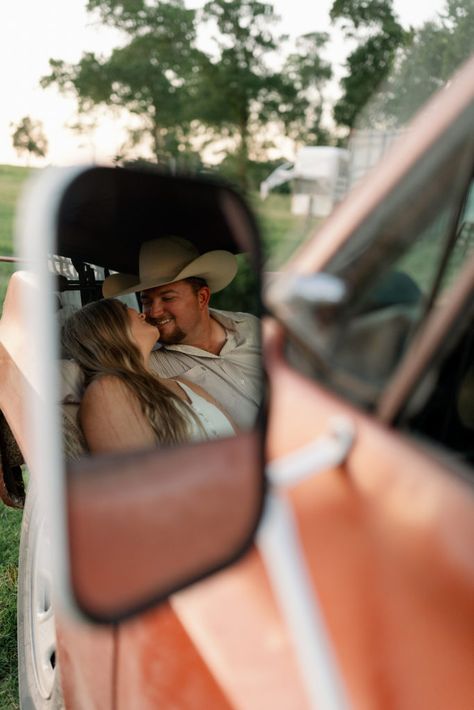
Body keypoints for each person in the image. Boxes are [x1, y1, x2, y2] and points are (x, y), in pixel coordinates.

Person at [103, 236, 261, 430]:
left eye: (167, 297)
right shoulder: (149, 363)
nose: (154, 311)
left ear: (202, 297)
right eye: (146, 300)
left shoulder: (251, 326)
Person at [61, 298, 236, 456]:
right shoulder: (108, 390)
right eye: (124, 309)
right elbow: (134, 479)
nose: (143, 314)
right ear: (107, 329)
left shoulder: (183, 384)